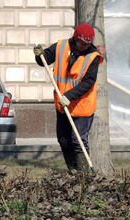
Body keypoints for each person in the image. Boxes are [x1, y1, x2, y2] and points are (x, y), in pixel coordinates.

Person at [34, 23, 103, 171]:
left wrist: (69, 96)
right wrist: (39, 56)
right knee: (63, 140)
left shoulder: (93, 57)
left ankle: (84, 175)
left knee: (78, 141)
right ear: (75, 39)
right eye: (82, 44)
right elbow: (45, 59)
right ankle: (73, 172)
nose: (84, 47)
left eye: (87, 44)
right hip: (62, 106)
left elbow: (88, 82)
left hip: (82, 107)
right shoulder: (61, 46)